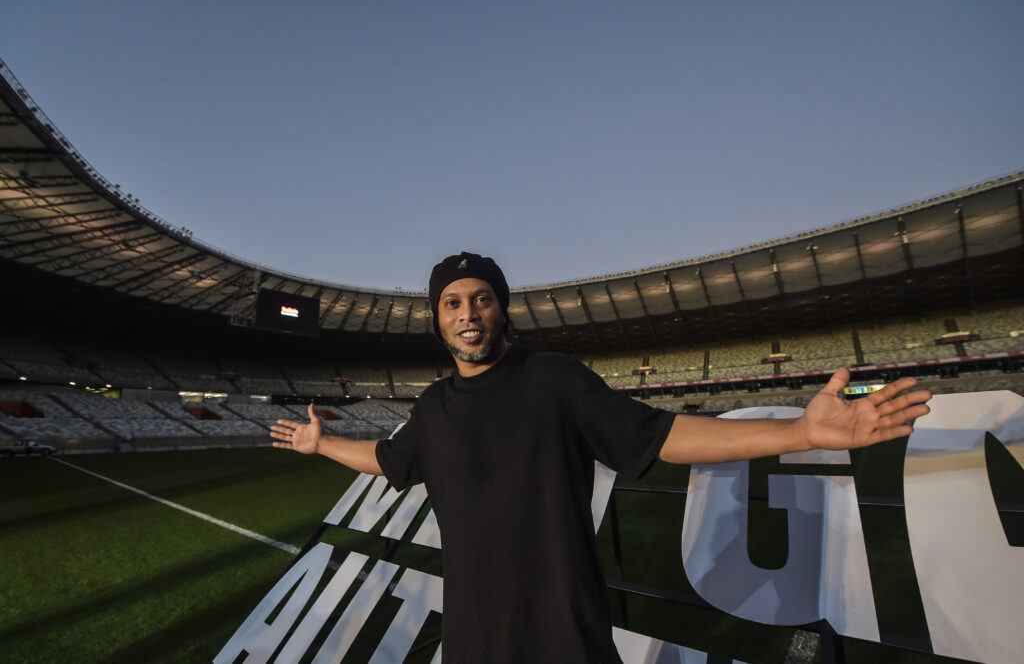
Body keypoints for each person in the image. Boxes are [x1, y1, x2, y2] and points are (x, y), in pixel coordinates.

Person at [270, 251, 932, 664]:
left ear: (501, 309)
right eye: (453, 303)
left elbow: (660, 435)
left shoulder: (554, 380)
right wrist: (322, 442)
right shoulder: (433, 410)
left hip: (567, 643)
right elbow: (388, 459)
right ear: (438, 319)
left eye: (481, 299)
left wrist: (801, 433)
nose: (468, 313)